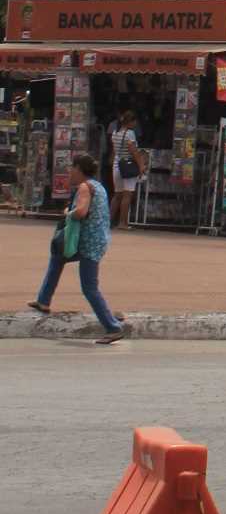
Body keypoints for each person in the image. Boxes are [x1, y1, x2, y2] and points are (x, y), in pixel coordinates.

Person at [30, 153, 124, 340]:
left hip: (88, 244)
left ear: (79, 169)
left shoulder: (84, 187)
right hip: (96, 240)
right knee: (58, 258)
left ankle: (112, 327)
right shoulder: (99, 186)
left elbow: (81, 212)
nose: (70, 171)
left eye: (72, 168)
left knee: (89, 287)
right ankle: (43, 300)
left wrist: (68, 212)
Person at [107, 105, 146, 229]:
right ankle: (123, 223)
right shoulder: (130, 134)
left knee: (117, 195)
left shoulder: (115, 133)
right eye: (134, 121)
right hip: (128, 165)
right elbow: (134, 151)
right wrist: (141, 166)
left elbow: (114, 151)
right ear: (131, 121)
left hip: (117, 165)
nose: (135, 124)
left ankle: (108, 221)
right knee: (127, 194)